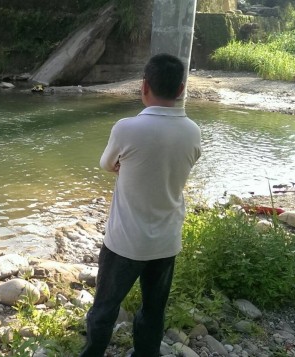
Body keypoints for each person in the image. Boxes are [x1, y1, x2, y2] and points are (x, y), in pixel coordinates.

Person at [80, 53, 201, 357]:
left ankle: (93, 353)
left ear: (144, 86)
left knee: (105, 307)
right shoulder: (193, 132)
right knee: (153, 310)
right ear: (181, 89)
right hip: (165, 241)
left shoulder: (126, 128)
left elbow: (106, 164)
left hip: (124, 241)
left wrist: (126, 164)